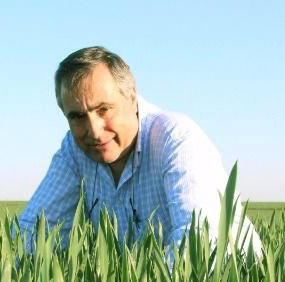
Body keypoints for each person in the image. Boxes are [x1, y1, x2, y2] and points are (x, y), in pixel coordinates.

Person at [18, 46, 262, 256]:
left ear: (131, 95)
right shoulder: (74, 150)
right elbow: (36, 230)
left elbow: (201, 239)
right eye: (77, 116)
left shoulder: (176, 138)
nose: (94, 130)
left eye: (104, 109)